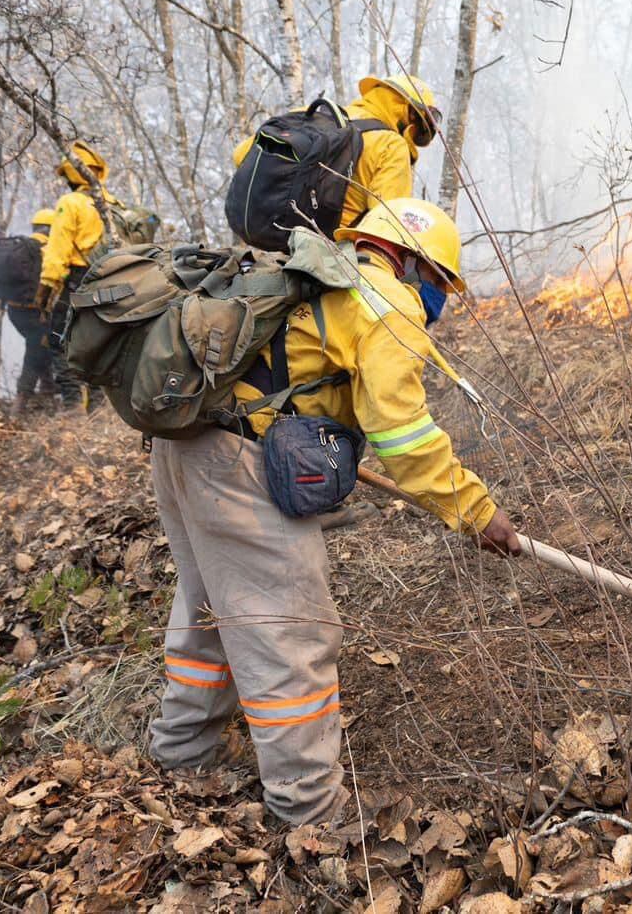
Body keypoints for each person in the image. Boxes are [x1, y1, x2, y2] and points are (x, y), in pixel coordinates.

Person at [147, 197, 518, 826]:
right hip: (241, 464)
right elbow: (401, 433)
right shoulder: (385, 300)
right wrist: (475, 510)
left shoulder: (317, 269)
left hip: (184, 446)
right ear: (411, 261)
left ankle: (180, 756)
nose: (437, 299)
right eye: (438, 282)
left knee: (211, 607)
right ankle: (312, 817)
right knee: (290, 634)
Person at [231, 74, 443, 230]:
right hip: (333, 255)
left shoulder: (309, 115)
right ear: (409, 114)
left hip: (274, 231)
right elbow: (388, 222)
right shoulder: (391, 144)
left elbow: (241, 154)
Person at [35, 142, 112, 409]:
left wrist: (46, 287)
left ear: (73, 174)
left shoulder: (71, 203)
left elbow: (59, 248)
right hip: (113, 282)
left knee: (60, 341)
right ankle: (99, 408)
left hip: (79, 281)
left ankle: (71, 407)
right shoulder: (111, 202)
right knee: (99, 345)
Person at [0, 209, 57, 413]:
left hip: (14, 311)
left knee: (41, 347)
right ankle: (19, 403)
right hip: (36, 312)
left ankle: (48, 391)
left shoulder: (21, 247)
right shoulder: (47, 248)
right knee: (36, 351)